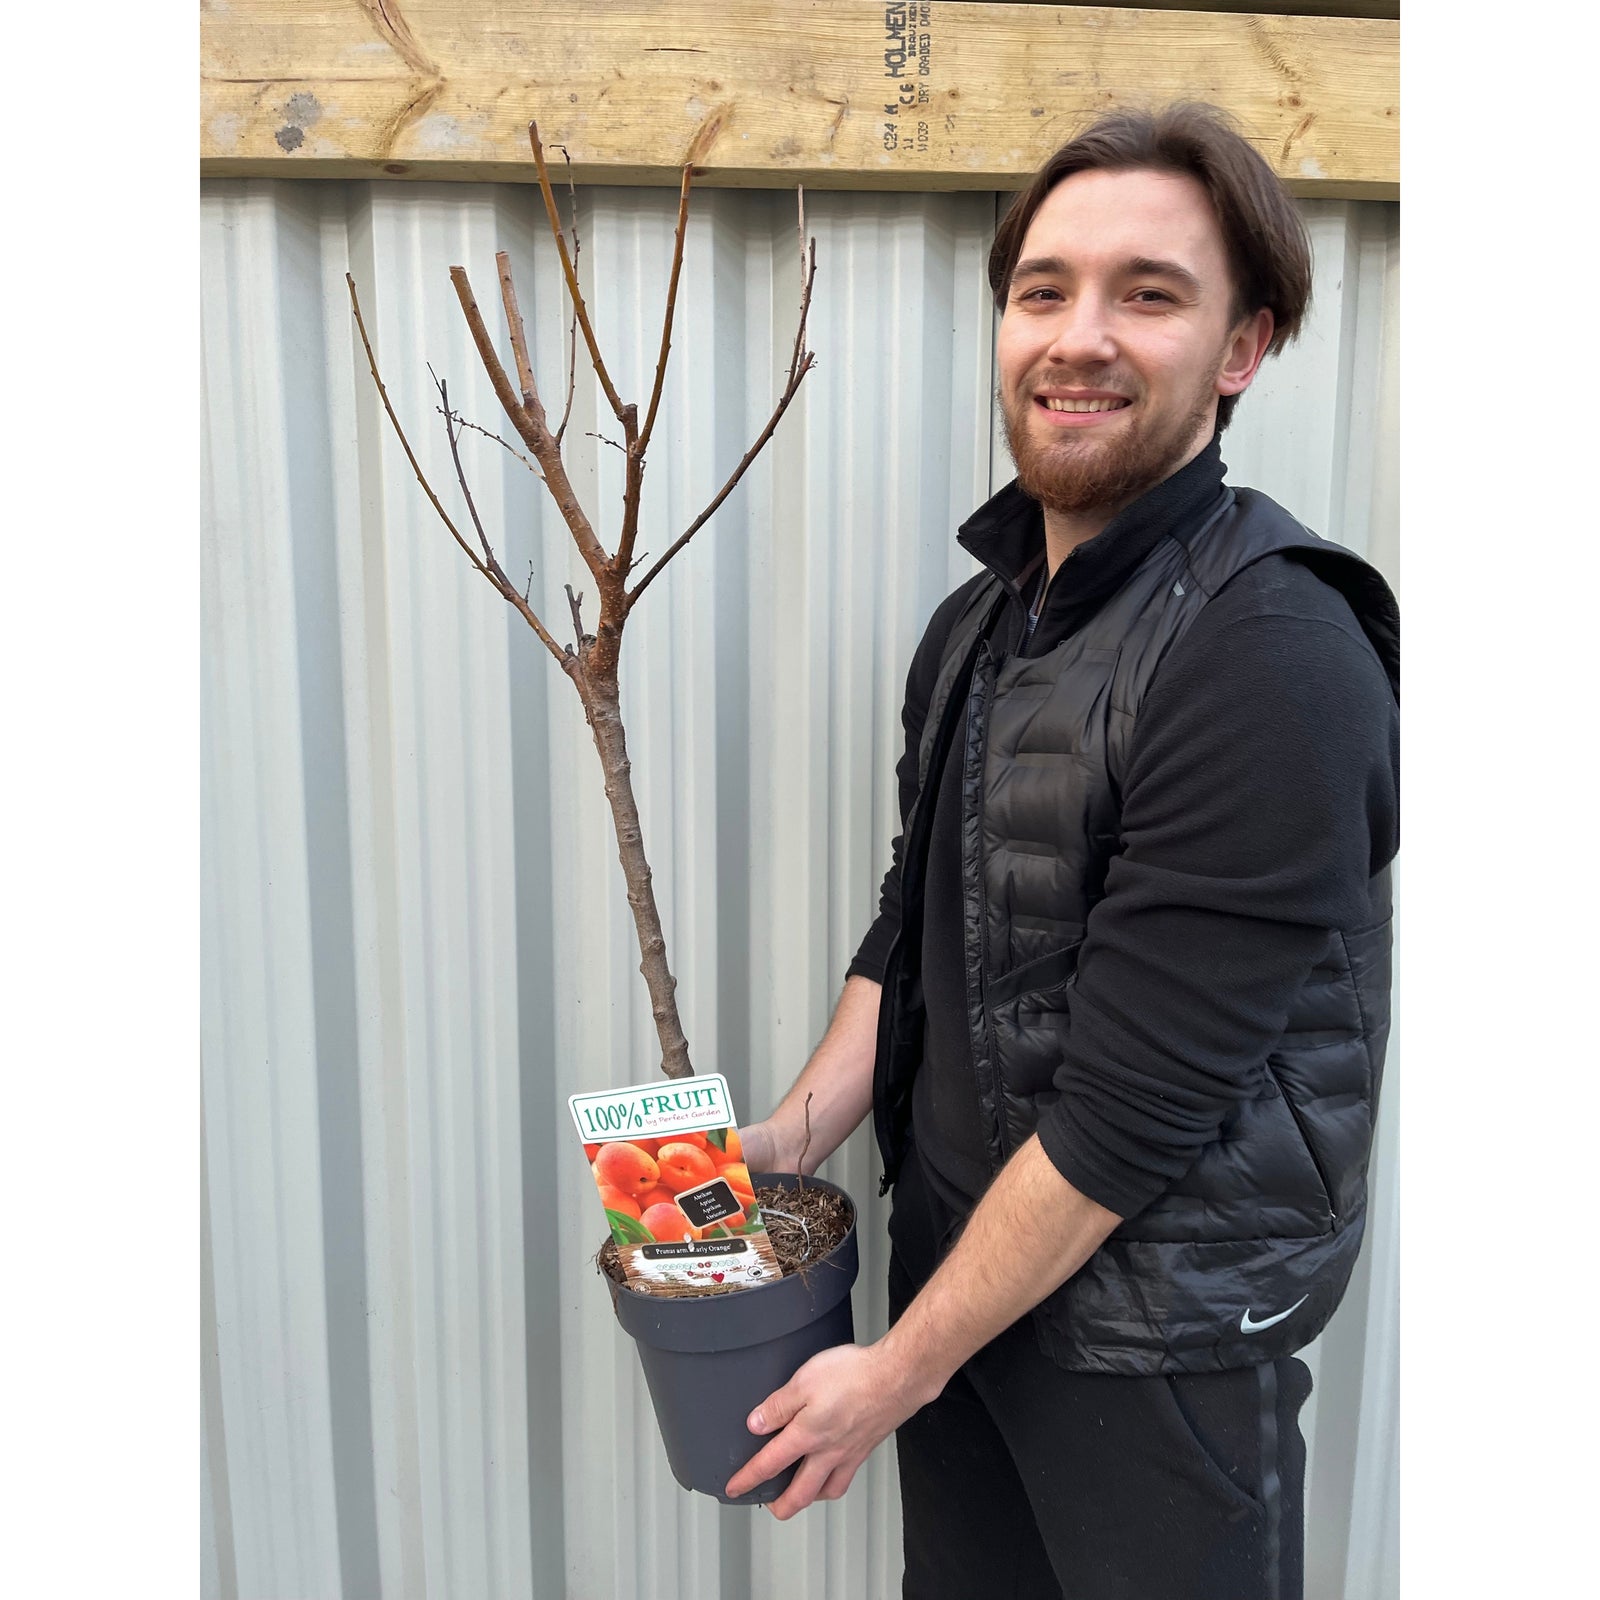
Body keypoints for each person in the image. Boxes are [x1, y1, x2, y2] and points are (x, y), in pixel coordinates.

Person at [731, 101, 1399, 1600]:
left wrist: (892, 1370)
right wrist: (785, 1142)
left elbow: (1138, 1109)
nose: (1078, 336)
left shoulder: (1273, 649)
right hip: (974, 1297)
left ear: (1244, 348)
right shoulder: (978, 624)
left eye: (1148, 294)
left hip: (1151, 1354)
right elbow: (921, 923)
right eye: (1045, 289)